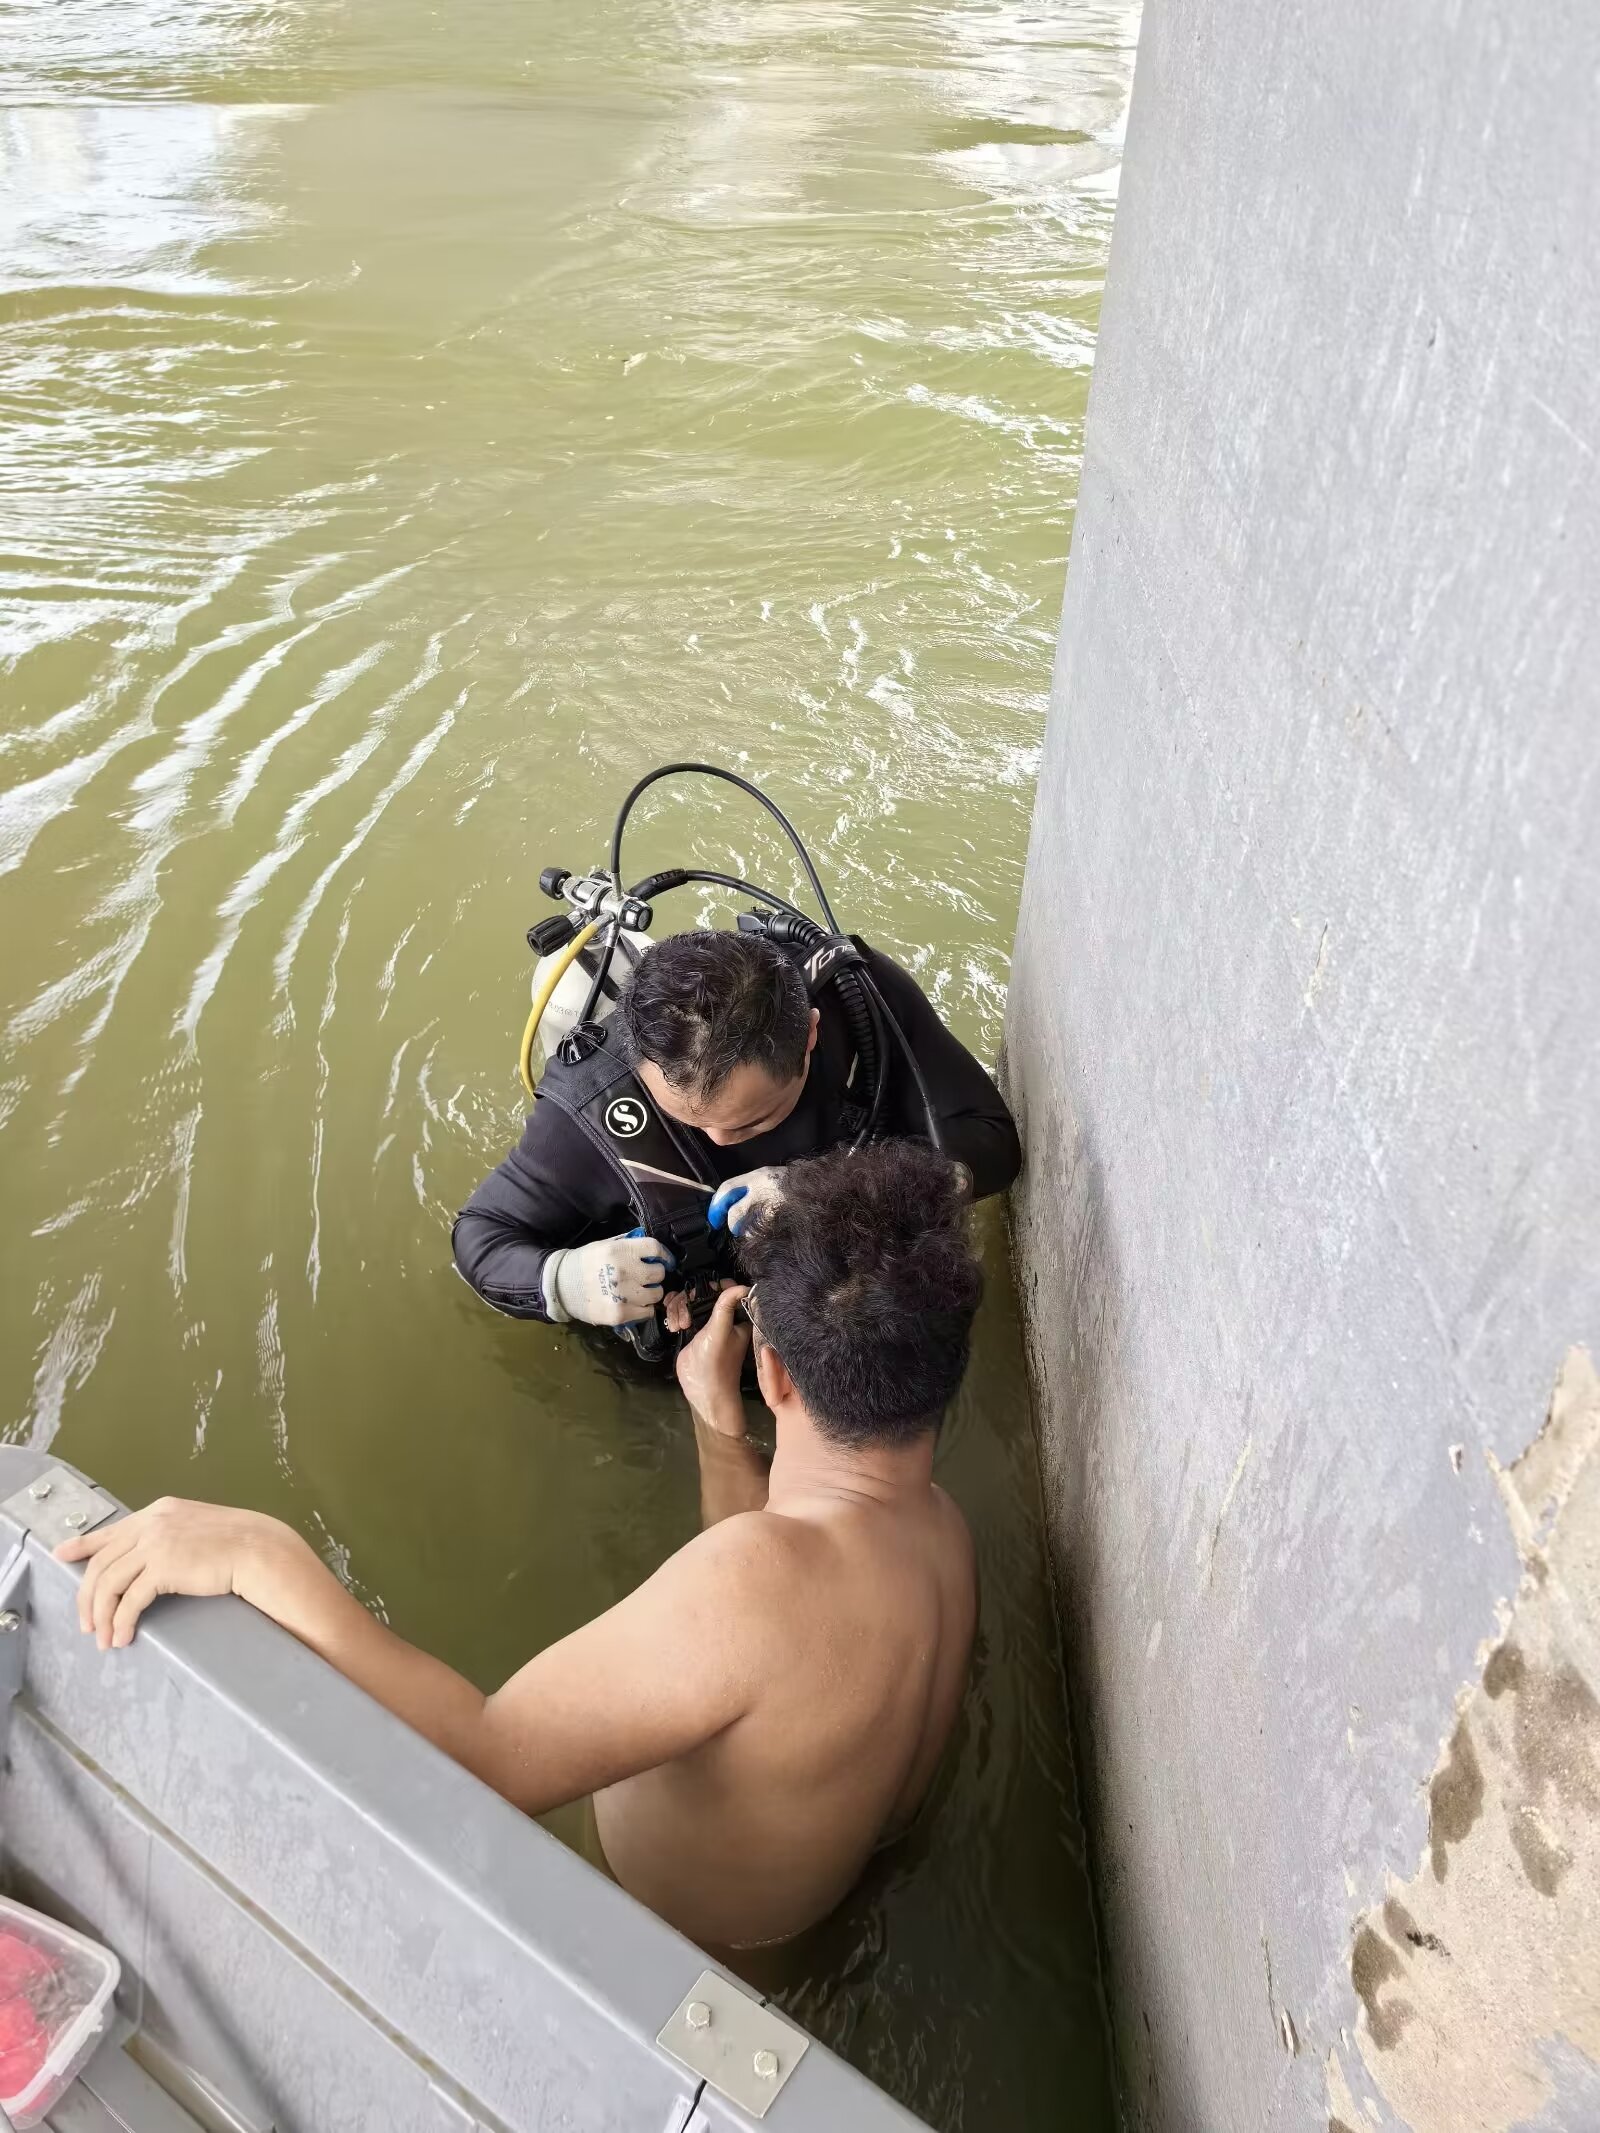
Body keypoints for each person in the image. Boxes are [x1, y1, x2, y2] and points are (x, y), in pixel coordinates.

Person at [55, 1143, 981, 1951]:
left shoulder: (751, 1586)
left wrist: (259, 1554)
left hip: (664, 1951)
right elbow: (766, 1631)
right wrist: (719, 1433)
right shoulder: (941, 1532)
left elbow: (485, 1760)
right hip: (798, 1920)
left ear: (770, 1370)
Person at [451, 925, 1019, 1334]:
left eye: (753, 1121)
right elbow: (482, 1235)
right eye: (690, 1120)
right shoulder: (591, 1109)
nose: (724, 1144)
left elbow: (993, 1147)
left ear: (812, 1037)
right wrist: (570, 1283)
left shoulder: (858, 1003)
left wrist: (827, 1188)